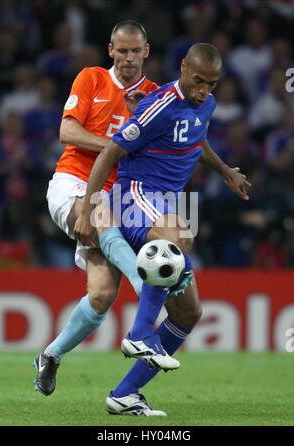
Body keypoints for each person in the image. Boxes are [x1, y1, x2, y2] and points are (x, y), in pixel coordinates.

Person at [74, 43, 251, 416]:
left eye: (212, 85)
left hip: (161, 207)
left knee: (189, 312)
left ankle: (124, 395)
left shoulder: (205, 105)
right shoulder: (158, 104)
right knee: (180, 235)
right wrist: (90, 209)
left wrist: (226, 171)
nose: (203, 90)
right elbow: (109, 153)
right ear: (183, 68)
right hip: (133, 196)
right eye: (198, 80)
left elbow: (196, 139)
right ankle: (139, 334)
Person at [33, 20, 158, 397]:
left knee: (102, 295)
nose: (129, 58)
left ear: (146, 52)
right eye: (122, 51)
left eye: (136, 51)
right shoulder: (90, 79)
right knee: (100, 214)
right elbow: (67, 132)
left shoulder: (153, 96)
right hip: (71, 184)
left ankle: (50, 356)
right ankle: (145, 287)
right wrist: (115, 143)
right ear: (111, 51)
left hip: (113, 197)